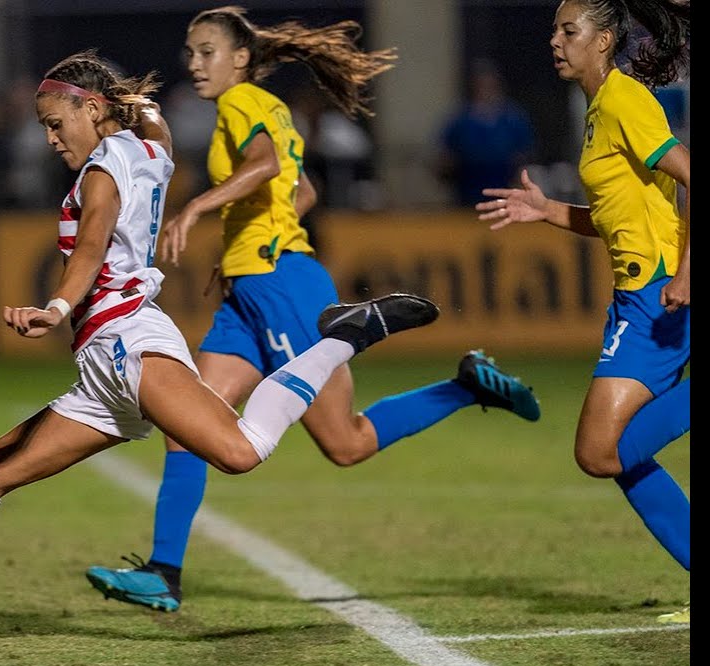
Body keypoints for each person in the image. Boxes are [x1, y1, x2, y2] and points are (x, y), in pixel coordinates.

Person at [0, 49, 441, 635]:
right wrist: (139, 109)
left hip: (127, 341)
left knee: (241, 451)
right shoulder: (147, 149)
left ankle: (344, 338)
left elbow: (89, 250)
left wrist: (56, 308)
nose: (50, 138)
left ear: (91, 108)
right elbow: (158, 133)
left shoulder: (101, 174)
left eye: (56, 123)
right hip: (101, 371)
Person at [83, 5, 542, 613]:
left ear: (240, 58)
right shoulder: (266, 107)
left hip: (282, 287)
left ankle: (464, 387)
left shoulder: (242, 102)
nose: (194, 63)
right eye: (190, 53)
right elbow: (303, 190)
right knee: (184, 428)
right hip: (251, 290)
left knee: (345, 443)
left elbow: (266, 167)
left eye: (206, 52)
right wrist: (242, 245)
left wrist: (196, 209)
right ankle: (163, 573)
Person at [475, 0, 690, 624]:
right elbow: (620, 215)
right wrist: (547, 211)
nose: (554, 40)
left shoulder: (624, 99)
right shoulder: (600, 111)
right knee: (613, 457)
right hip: (637, 296)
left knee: (601, 451)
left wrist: (686, 272)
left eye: (569, 30)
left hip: (659, 294)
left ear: (603, 41)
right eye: (554, 30)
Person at [436, 58, 537, 207]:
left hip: (505, 189)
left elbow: (526, 153)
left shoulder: (513, 118)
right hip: (467, 192)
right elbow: (445, 155)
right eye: (481, 84)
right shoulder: (460, 119)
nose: (485, 88)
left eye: (490, 84)